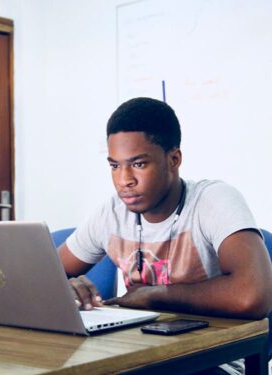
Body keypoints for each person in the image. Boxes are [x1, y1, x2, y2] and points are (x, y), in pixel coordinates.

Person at [58, 97, 272, 375]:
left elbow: (252, 296)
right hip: (140, 354)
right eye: (114, 166)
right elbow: (42, 273)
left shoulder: (213, 200)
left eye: (138, 164)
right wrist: (66, 288)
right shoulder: (111, 212)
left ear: (174, 159)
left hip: (214, 359)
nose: (124, 180)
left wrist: (156, 295)